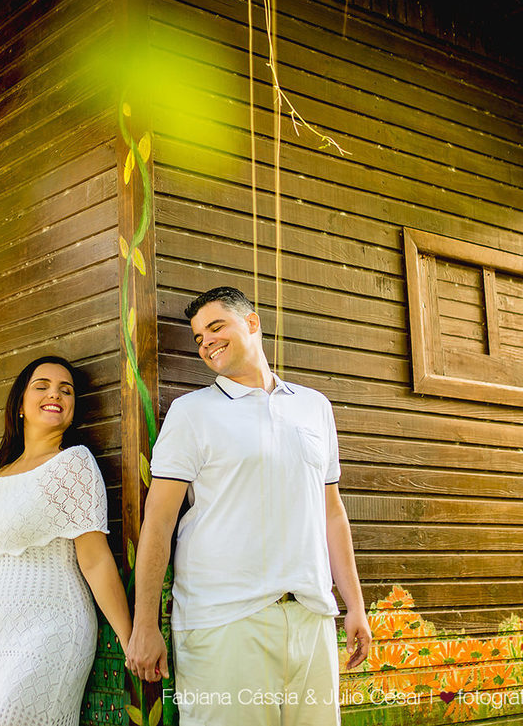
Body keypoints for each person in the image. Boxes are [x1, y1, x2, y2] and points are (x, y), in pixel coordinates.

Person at [126, 287, 372, 725]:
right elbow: (158, 521)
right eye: (198, 336)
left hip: (311, 615)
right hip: (223, 621)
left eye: (216, 327)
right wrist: (145, 623)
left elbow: (331, 512)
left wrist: (354, 604)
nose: (206, 342)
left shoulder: (315, 408)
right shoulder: (191, 412)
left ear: (252, 323)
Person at [0, 355, 132, 725]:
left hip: (53, 628)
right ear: (21, 405)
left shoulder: (73, 463)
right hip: (1, 641)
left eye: (66, 390)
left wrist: (129, 639)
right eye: (41, 386)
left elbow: (95, 560)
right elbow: (0, 569)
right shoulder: (0, 475)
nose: (54, 394)